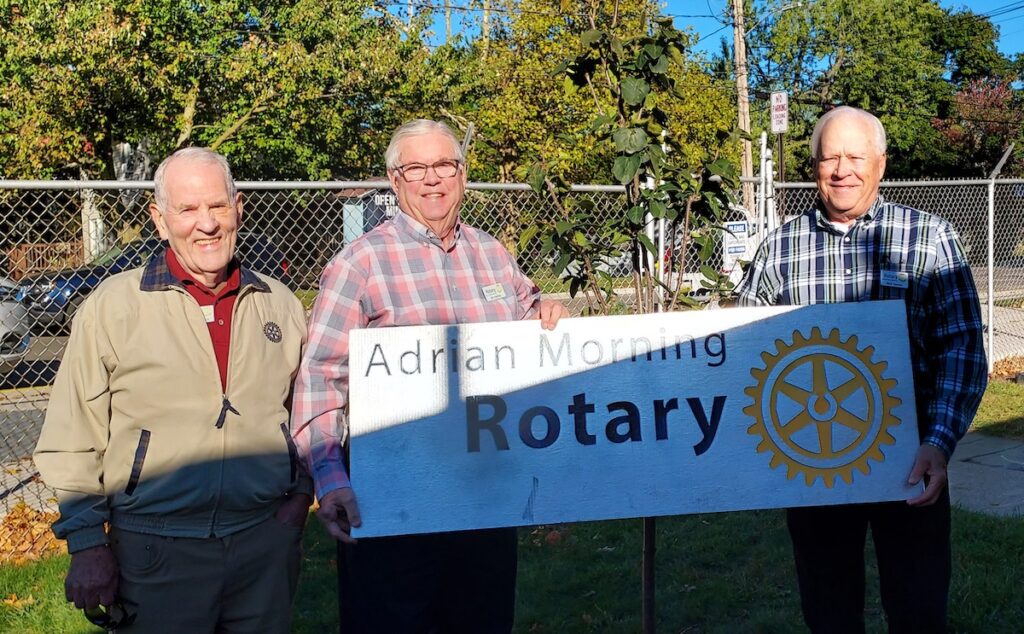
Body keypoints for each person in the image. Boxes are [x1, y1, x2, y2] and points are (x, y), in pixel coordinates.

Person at [291, 119, 568, 633]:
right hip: (393, 501)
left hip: (486, 499)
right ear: (395, 181)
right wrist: (330, 481)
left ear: (463, 174)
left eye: (444, 165)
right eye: (416, 168)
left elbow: (527, 322)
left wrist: (548, 312)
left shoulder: (492, 255)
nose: (432, 179)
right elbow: (321, 379)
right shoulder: (360, 264)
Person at [34, 147, 311, 633]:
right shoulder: (113, 308)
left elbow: (310, 415)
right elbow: (73, 433)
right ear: (160, 220)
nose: (206, 224)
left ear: (238, 208)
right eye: (187, 209)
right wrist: (87, 545)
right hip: (155, 550)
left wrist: (297, 499)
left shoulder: (281, 305)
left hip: (264, 547)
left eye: (218, 206)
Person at [736, 106, 988, 632]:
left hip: (912, 461)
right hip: (811, 462)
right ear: (813, 167)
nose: (842, 169)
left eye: (855, 156)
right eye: (830, 157)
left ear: (880, 163)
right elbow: (741, 348)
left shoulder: (930, 239)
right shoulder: (779, 249)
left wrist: (938, 444)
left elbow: (962, 350)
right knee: (828, 612)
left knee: (918, 609)